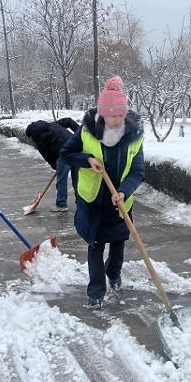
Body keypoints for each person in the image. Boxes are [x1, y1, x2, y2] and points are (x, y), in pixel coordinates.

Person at [60, 76, 145, 309]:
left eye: (121, 115)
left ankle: (114, 273)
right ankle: (96, 292)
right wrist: (87, 160)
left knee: (118, 243)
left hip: (120, 202)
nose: (117, 120)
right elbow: (65, 154)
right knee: (95, 245)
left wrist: (124, 193)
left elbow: (137, 171)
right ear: (102, 114)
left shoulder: (134, 137)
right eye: (112, 116)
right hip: (93, 201)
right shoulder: (86, 132)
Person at [25, 117, 80, 212]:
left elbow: (47, 155)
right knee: (77, 179)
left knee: (61, 180)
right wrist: (79, 133)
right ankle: (81, 202)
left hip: (63, 155)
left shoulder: (40, 139)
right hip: (76, 149)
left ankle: (61, 204)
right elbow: (68, 121)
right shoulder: (53, 125)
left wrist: (55, 166)